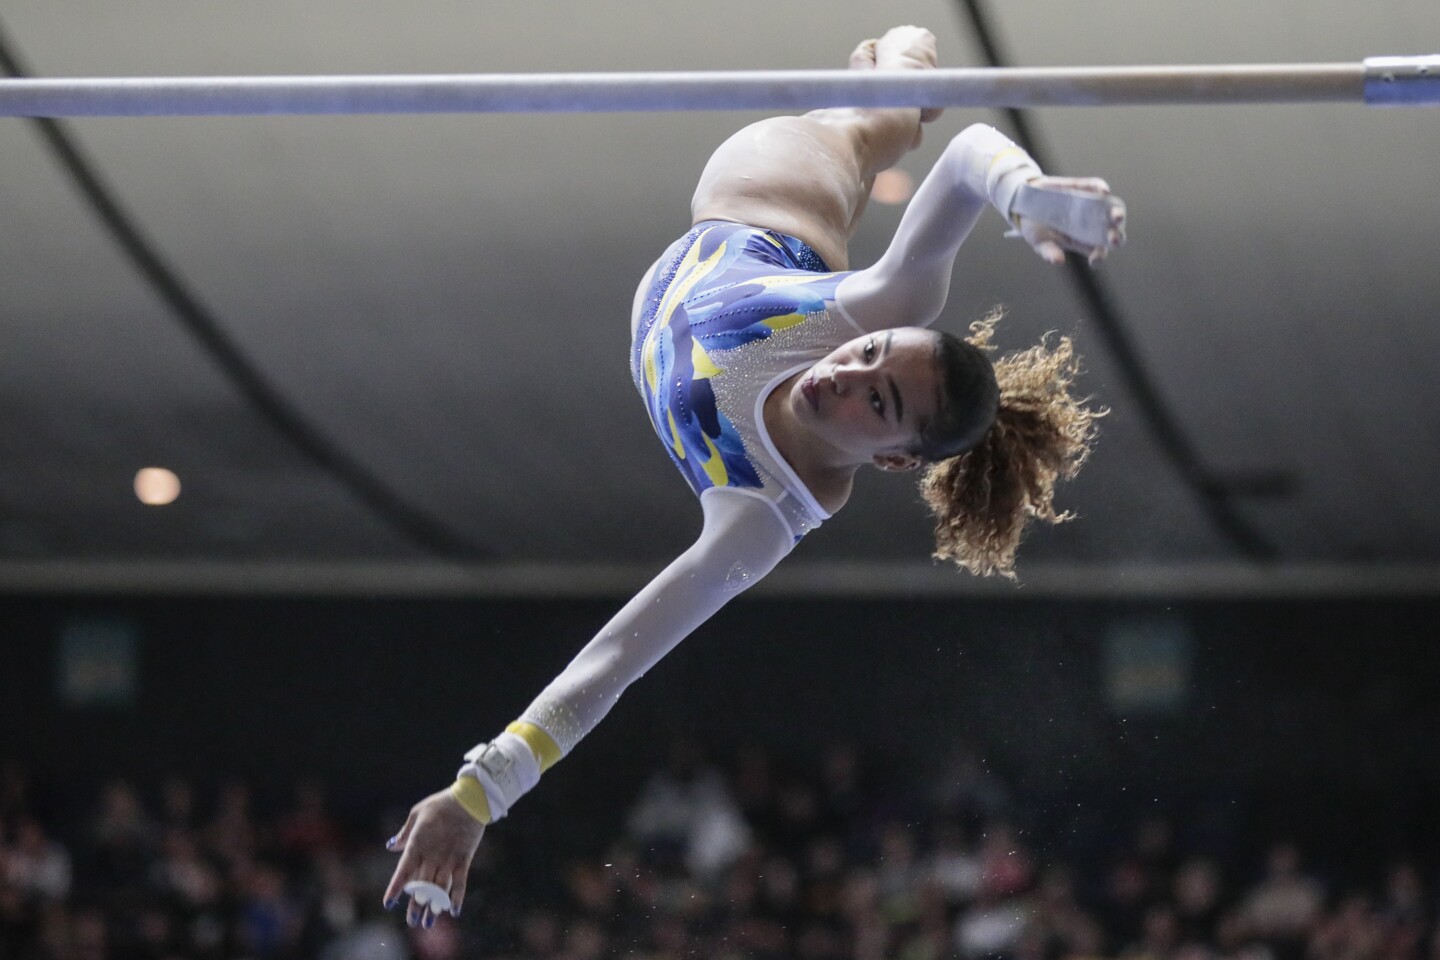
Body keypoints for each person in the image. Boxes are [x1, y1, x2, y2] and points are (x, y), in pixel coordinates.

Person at [383, 25, 1124, 928]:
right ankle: (899, 65)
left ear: (892, 459)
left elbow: (617, 660)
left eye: (879, 402)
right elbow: (974, 152)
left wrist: (480, 792)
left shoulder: (766, 512)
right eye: (872, 355)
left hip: (711, 281)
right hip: (762, 216)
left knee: (879, 121)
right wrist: (1027, 198)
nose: (845, 372)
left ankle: (886, 95)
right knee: (874, 121)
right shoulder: (873, 307)